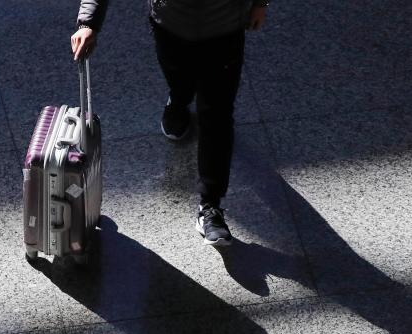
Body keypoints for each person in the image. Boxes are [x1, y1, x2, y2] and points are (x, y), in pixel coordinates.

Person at [71, 0, 271, 246]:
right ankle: (179, 99)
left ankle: (211, 206)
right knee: (179, 79)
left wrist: (260, 3)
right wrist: (88, 22)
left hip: (225, 27)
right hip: (171, 24)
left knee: (217, 114)